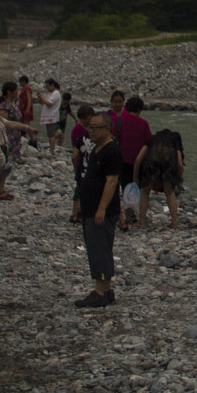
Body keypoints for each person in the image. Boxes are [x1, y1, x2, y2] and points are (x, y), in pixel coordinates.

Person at [71, 112, 125, 308]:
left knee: (99, 250)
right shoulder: (96, 148)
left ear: (107, 129)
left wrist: (101, 209)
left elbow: (112, 182)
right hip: (90, 207)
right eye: (90, 127)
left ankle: (100, 290)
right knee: (98, 248)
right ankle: (106, 287)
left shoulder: (111, 151)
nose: (91, 131)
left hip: (100, 210)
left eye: (95, 128)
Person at [111, 96, 154, 228]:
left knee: (125, 188)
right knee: (141, 189)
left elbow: (112, 136)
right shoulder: (143, 123)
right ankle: (139, 217)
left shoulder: (119, 121)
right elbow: (150, 141)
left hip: (122, 160)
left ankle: (128, 215)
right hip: (139, 162)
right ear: (140, 109)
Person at [141, 126, 187, 228]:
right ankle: (174, 223)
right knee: (170, 193)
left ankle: (142, 222)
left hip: (151, 164)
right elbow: (179, 164)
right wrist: (180, 180)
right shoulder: (174, 142)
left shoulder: (152, 140)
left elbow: (138, 159)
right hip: (168, 165)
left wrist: (135, 178)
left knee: (145, 192)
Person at [40, 79, 63, 146]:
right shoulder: (51, 94)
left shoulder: (55, 93)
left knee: (51, 135)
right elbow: (44, 104)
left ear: (52, 85)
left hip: (51, 116)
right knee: (51, 134)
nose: (47, 88)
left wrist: (42, 97)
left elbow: (49, 104)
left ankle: (51, 150)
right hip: (49, 116)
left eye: (47, 86)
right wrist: (41, 98)